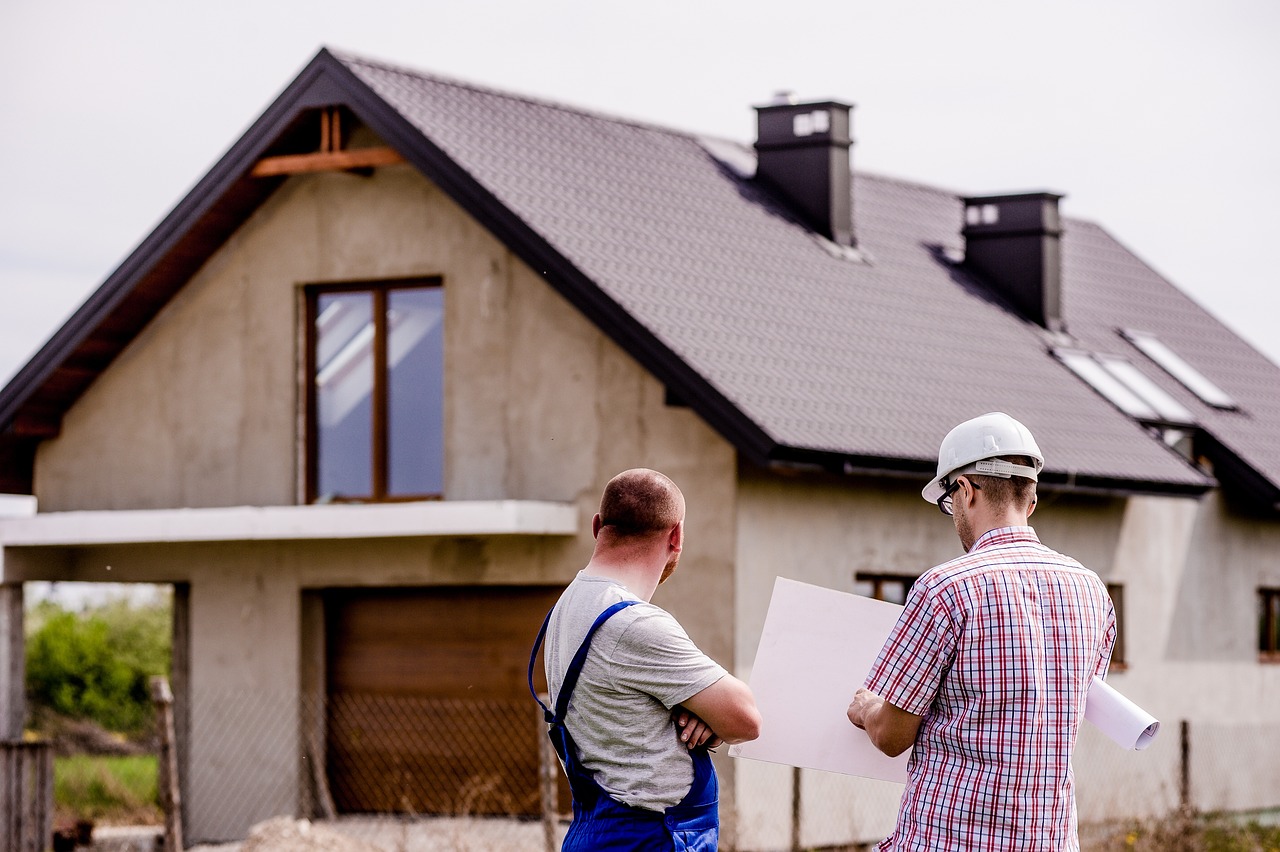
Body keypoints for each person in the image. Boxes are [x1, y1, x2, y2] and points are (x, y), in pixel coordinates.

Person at [847, 412, 1116, 852]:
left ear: (966, 490)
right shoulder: (1092, 591)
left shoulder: (946, 588)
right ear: (1030, 500)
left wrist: (867, 709)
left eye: (949, 502)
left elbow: (892, 737)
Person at [529, 468, 761, 851]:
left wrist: (710, 714)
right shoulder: (633, 622)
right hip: (651, 837)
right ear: (676, 536)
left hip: (594, 834)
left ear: (596, 526)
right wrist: (716, 717)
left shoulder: (567, 607)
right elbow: (746, 718)